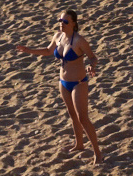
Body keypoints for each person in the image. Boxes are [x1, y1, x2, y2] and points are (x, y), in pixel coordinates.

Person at [9, 10, 102, 163]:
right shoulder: (58, 37)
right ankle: (79, 144)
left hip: (79, 83)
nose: (61, 23)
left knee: (83, 118)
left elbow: (93, 57)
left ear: (73, 24)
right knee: (72, 114)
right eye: (60, 20)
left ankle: (98, 153)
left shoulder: (79, 40)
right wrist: (28, 50)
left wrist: (92, 67)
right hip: (63, 82)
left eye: (65, 21)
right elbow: (47, 51)